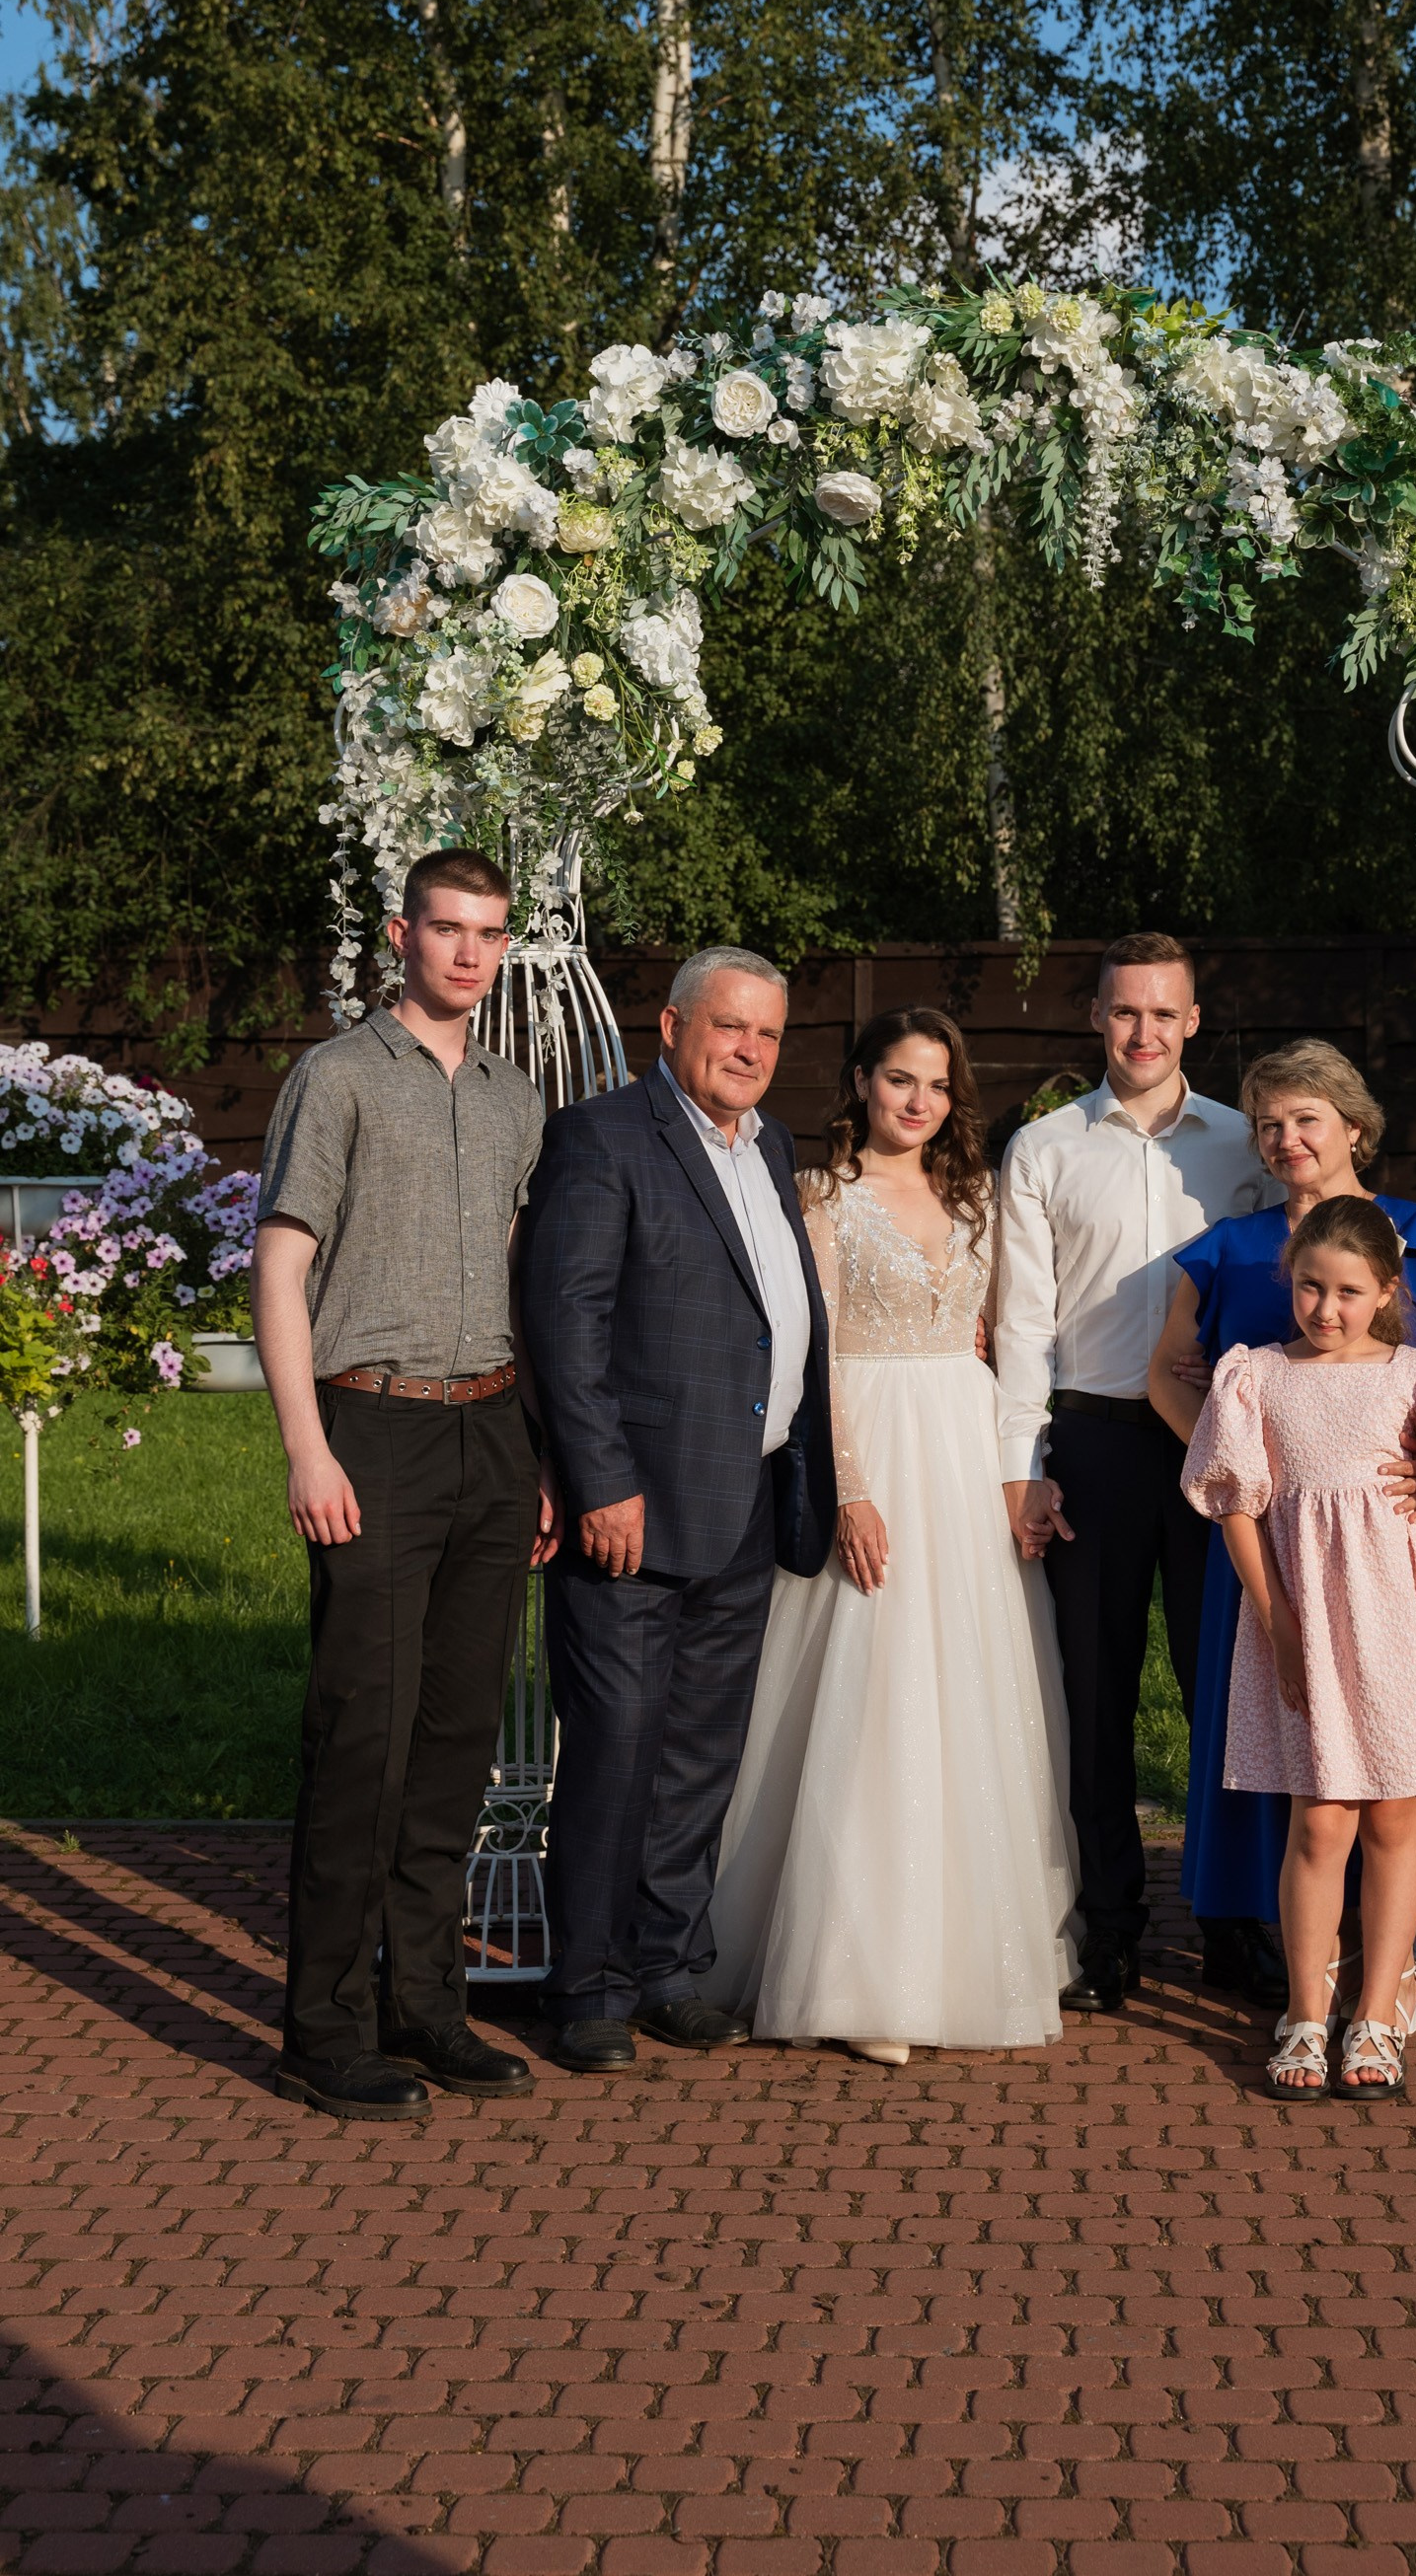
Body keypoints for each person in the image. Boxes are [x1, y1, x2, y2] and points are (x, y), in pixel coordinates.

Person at [707, 1010, 1078, 2063]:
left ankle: (958, 1950)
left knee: (963, 1698)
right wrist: (845, 1490)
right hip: (863, 1440)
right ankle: (855, 1970)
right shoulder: (816, 1195)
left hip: (962, 1453)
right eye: (899, 1080)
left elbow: (1015, 1333)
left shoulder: (977, 1197)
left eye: (938, 1085)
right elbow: (804, 1349)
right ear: (861, 1080)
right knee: (865, 1699)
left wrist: (1022, 1471)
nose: (918, 1102)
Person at [253, 846, 554, 2121]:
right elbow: (279, 1265)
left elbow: (522, 1275)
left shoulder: (512, 1098)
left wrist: (537, 1454)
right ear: (400, 935)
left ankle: (425, 2007)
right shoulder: (336, 1080)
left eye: (489, 933)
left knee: (453, 1745)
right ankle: (321, 2027)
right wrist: (305, 1444)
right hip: (369, 1432)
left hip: (491, 1437)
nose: (469, 954)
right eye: (447, 929)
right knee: (362, 1741)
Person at [516, 947, 836, 2074]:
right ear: (670, 1025)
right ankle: (589, 1988)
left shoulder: (771, 1146)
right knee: (613, 1748)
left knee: (700, 1754)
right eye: (728, 1027)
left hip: (748, 1496)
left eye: (766, 1035)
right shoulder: (602, 1139)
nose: (748, 1050)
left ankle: (664, 1967)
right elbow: (567, 1326)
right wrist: (599, 1481)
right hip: (636, 1510)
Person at [1149, 1038, 1416, 2024]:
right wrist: (1245, 1471)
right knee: (1298, 1760)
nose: (1284, 1137)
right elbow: (1161, 1377)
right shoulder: (1229, 1249)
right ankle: (1298, 1971)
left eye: (1304, 1118)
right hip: (1274, 1548)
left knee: (1394, 1773)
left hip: (1398, 1552)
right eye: (1267, 1123)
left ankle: (1389, 1967)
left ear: (1352, 1124)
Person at [1182, 1198, 1416, 2100]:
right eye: (1308, 1287)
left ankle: (1380, 2003)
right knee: (1320, 1819)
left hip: (1404, 1624)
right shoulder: (1254, 1375)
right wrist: (1278, 1623)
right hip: (1304, 1625)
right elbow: (1237, 1505)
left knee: (1394, 1817)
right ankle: (1305, 2007)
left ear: (1385, 1293)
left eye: (1347, 1292)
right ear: (1286, 1279)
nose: (1324, 1309)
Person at [995, 931, 1276, 2014]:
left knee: (1228, 1697)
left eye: (1163, 1013)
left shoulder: (1250, 1145)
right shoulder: (1043, 1149)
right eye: (1124, 1012)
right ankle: (1106, 1928)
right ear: (1096, 1017)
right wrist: (1023, 1465)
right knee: (1095, 1698)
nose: (1143, 1032)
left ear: (1193, 1020)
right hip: (1098, 1442)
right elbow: (1020, 1325)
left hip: (1220, 1443)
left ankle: (1232, 1924)